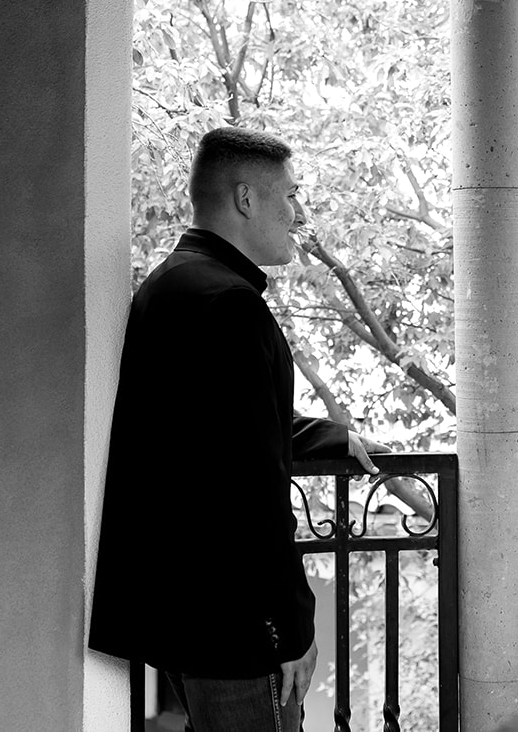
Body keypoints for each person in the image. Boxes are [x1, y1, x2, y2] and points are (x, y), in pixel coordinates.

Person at [90, 126, 387, 731]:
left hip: (183, 617)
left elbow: (210, 427)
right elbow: (249, 489)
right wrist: (290, 630)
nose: (298, 214)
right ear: (247, 199)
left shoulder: (174, 285)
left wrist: (332, 436)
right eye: (291, 196)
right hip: (234, 629)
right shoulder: (226, 303)